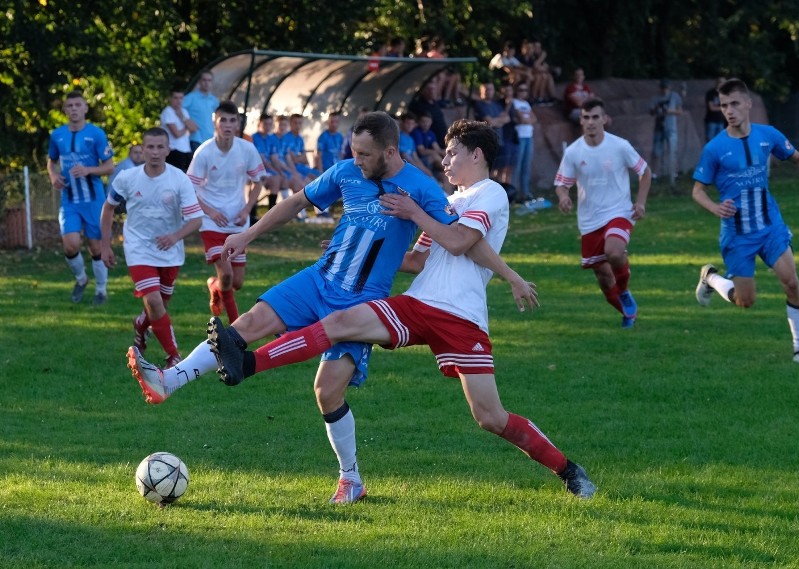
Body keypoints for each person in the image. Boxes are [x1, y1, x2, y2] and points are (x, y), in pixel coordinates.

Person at [204, 119, 597, 500]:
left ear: (477, 155)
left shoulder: (489, 192)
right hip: (419, 303)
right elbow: (416, 261)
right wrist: (353, 249)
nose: (444, 162)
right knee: (339, 322)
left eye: (452, 153)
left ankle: (567, 470)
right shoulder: (450, 201)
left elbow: (460, 241)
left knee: (490, 417)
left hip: (461, 315)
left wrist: (419, 216)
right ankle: (247, 363)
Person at [127, 111, 458, 504]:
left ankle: (351, 479)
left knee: (327, 392)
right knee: (244, 325)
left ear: (390, 151)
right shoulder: (345, 172)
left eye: (365, 154)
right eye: (353, 152)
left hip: (361, 302)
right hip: (319, 279)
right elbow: (296, 202)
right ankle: (169, 381)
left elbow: (454, 238)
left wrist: (417, 216)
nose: (357, 161)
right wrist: (246, 234)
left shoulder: (421, 188)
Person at [692, 78, 799, 364]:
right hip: (737, 234)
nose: (729, 111)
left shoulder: (768, 135)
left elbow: (795, 156)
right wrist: (715, 208)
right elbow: (697, 191)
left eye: (735, 104)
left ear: (748, 104)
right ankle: (711, 277)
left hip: (769, 225)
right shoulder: (715, 148)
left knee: (791, 282)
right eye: (724, 105)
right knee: (746, 301)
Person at [100, 127, 203, 367]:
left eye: (160, 147)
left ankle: (141, 325)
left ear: (168, 149)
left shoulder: (179, 179)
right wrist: (106, 246)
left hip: (170, 252)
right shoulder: (127, 177)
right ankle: (173, 355)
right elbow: (107, 209)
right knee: (155, 302)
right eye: (150, 147)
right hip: (138, 248)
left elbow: (196, 219)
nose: (155, 152)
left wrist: (175, 236)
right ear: (142, 149)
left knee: (159, 306)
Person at [554, 98, 651, 329]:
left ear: (604, 119)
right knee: (604, 277)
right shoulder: (574, 152)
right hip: (589, 220)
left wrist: (640, 203)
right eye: (586, 118)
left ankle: (625, 292)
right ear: (581, 121)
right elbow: (562, 183)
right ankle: (628, 314)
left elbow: (645, 172)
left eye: (595, 117)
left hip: (619, 211)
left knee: (614, 252)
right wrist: (564, 196)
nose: (591, 122)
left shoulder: (620, 145)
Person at [187, 100, 265, 324]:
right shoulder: (204, 152)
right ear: (215, 122)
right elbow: (189, 189)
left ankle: (214, 285)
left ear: (238, 123)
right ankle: (235, 328)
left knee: (236, 282)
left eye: (233, 120)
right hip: (211, 224)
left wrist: (247, 210)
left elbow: (258, 181)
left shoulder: (247, 148)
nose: (228, 125)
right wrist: (210, 212)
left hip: (237, 222)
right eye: (223, 120)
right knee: (227, 275)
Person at [47, 90, 116, 305]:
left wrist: (88, 170)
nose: (74, 109)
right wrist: (53, 175)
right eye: (70, 106)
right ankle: (81, 279)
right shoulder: (57, 135)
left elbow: (109, 166)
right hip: (69, 200)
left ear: (85, 108)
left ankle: (101, 291)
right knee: (70, 245)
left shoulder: (96, 134)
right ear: (65, 110)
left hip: (94, 199)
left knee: (96, 247)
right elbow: (51, 161)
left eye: (78, 105)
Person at [250, 113, 284, 223]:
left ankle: (271, 215)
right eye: (265, 124)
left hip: (267, 170)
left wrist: (279, 171)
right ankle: (252, 214)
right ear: (259, 124)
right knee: (257, 181)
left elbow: (274, 158)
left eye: (270, 124)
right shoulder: (253, 138)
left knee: (276, 179)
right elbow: (260, 159)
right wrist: (272, 170)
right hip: (254, 170)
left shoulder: (271, 139)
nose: (267, 126)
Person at [649, 79, 682, 185]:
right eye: (663, 88)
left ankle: (674, 175)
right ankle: (654, 174)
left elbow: (679, 111)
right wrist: (657, 109)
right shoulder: (655, 98)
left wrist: (669, 111)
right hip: (659, 127)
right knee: (656, 152)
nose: (664, 90)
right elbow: (651, 112)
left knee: (673, 151)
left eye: (666, 88)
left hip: (671, 128)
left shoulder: (674, 96)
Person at [511, 82, 537, 203]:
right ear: (517, 91)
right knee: (517, 166)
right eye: (521, 90)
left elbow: (534, 119)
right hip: (519, 136)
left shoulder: (526, 103)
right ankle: (514, 193)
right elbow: (521, 118)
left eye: (525, 90)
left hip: (529, 136)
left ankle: (525, 193)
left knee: (526, 166)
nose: (523, 92)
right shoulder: (514, 102)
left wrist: (527, 119)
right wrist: (527, 119)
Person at [160, 87, 197, 172]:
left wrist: (182, 118)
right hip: (173, 150)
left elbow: (194, 128)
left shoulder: (184, 111)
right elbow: (177, 134)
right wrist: (186, 126)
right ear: (170, 98)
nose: (178, 100)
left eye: (181, 98)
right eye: (176, 98)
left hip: (186, 150)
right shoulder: (167, 111)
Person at [183, 70, 219, 153]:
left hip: (210, 139)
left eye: (209, 80)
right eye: (204, 80)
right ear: (199, 81)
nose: (206, 83)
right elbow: (177, 109)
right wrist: (186, 120)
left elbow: (220, 116)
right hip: (195, 138)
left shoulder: (214, 100)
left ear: (212, 83)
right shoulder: (191, 97)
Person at [704, 76, 726, 141]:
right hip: (711, 121)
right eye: (720, 83)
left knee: (720, 141)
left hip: (721, 121)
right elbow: (711, 108)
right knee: (710, 141)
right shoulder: (711, 93)